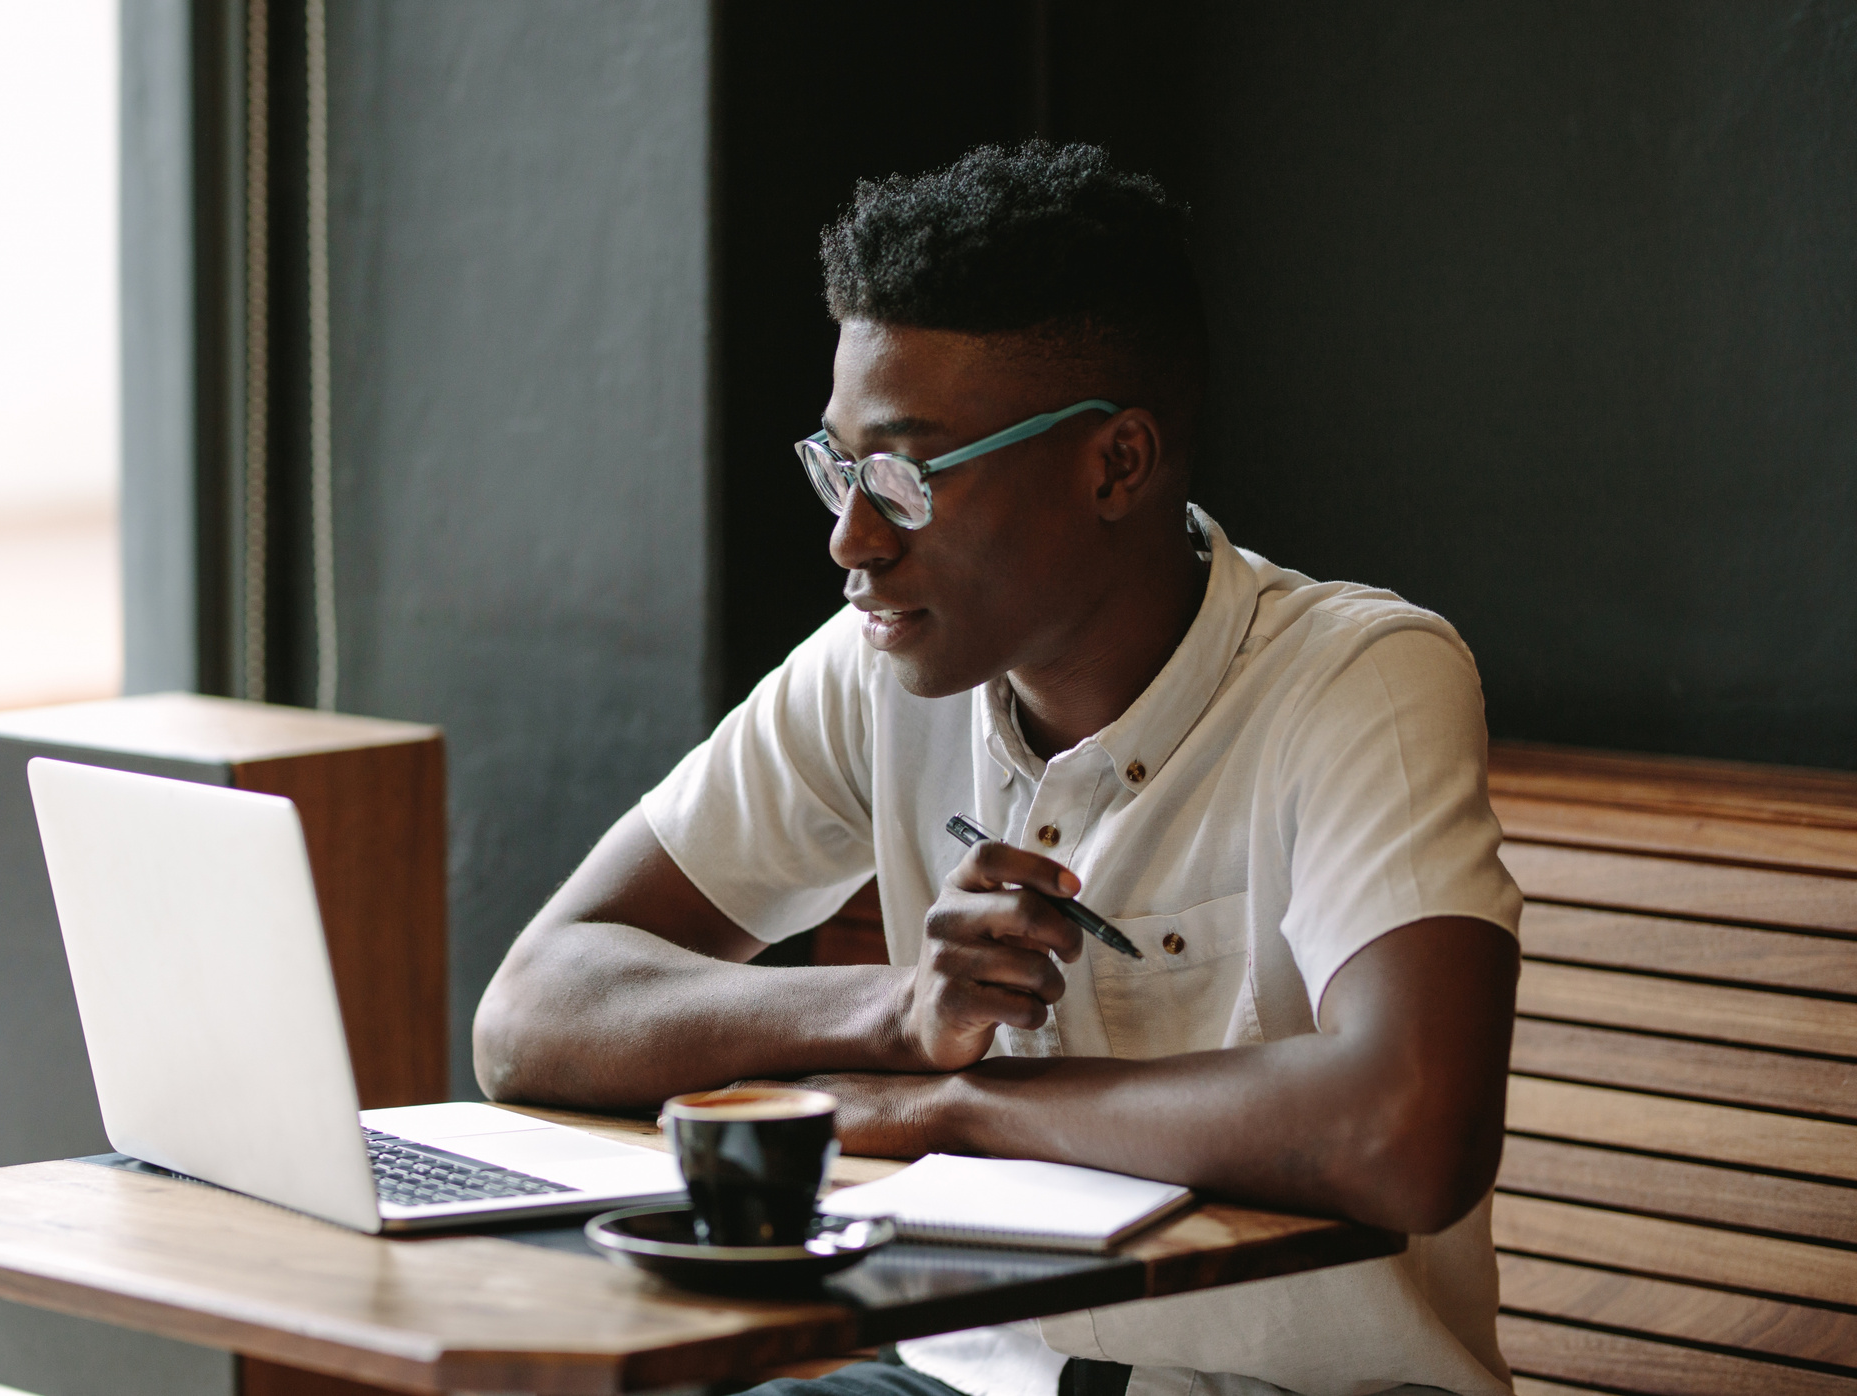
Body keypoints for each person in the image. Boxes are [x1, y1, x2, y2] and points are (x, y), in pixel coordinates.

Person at [474, 142, 1521, 1396]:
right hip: (959, 1379)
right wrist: (895, 1012)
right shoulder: (877, 667)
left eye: (908, 475)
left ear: (1115, 464)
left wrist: (955, 1109)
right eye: (840, 465)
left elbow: (1402, 1127)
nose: (851, 537)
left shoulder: (1357, 679)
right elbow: (533, 1011)